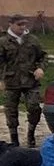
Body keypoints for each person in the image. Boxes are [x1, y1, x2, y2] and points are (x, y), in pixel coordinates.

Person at [0, 14, 48, 147]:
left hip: (30, 80)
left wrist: (41, 68)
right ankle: (14, 138)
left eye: (24, 24)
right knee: (11, 110)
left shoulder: (32, 40)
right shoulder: (4, 42)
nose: (22, 27)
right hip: (11, 81)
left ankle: (31, 134)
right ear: (11, 24)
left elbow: (43, 56)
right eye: (19, 24)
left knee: (34, 107)